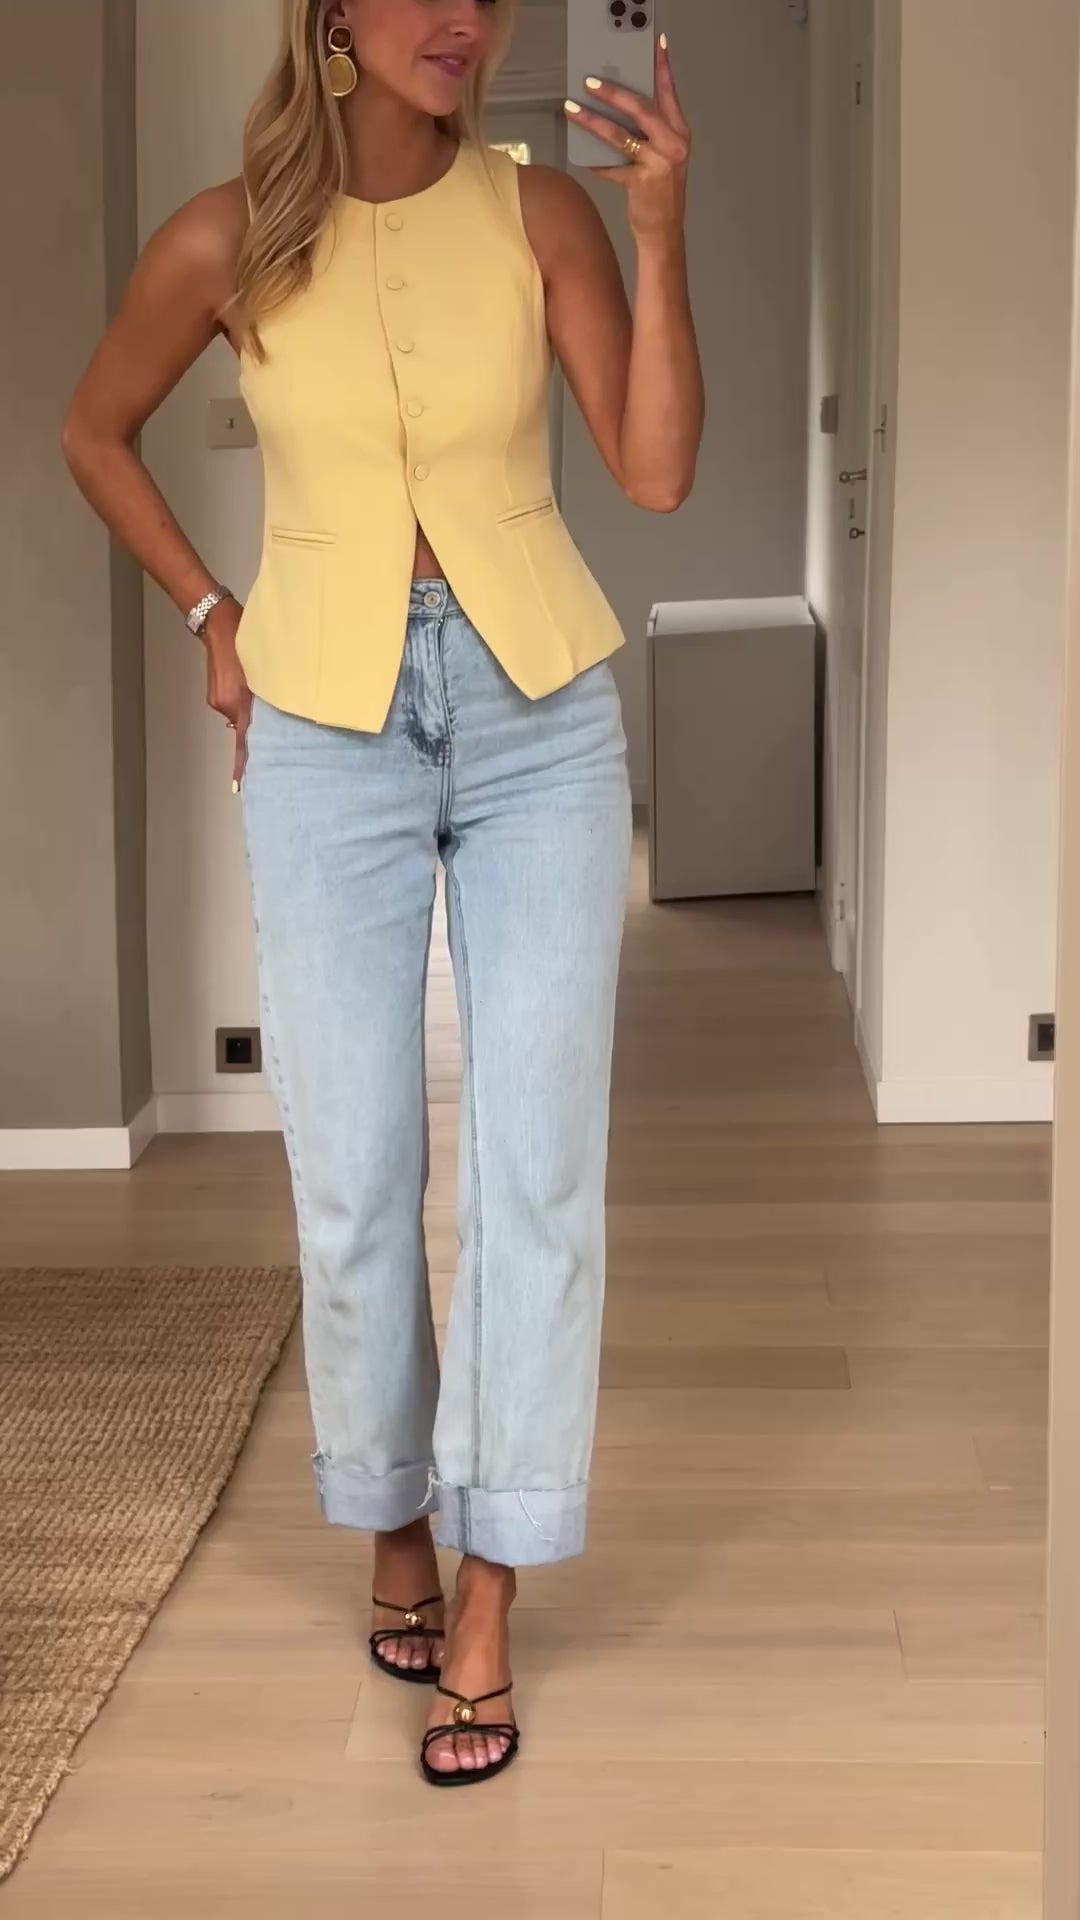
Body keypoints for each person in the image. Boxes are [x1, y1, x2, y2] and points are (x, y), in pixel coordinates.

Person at [63, 0, 702, 1787]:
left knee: (535, 1169)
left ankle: (492, 1591)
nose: (463, 19)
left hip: (537, 715)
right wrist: (213, 616)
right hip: (323, 723)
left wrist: (659, 232)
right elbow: (94, 430)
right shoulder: (226, 237)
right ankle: (394, 1522)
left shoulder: (542, 212)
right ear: (335, 12)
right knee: (352, 1175)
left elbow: (655, 473)